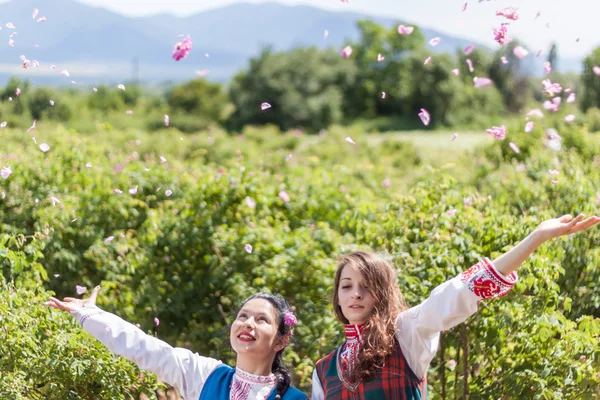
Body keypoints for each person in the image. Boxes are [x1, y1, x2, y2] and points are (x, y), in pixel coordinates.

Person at [311, 213, 600, 399]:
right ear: (337, 297)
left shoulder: (407, 332)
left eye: (366, 286)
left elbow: (461, 291)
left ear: (383, 293)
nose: (356, 295)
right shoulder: (324, 370)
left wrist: (535, 238)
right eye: (346, 286)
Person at [46, 290, 308, 400]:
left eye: (262, 320)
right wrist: (89, 314)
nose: (248, 323)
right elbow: (144, 348)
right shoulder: (205, 375)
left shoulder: (296, 399)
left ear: (281, 340)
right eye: (243, 316)